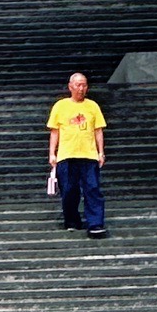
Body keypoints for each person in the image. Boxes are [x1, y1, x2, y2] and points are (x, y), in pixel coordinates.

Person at [45, 72, 106, 239]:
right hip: (67, 155)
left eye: (84, 85)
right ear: (70, 86)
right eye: (78, 85)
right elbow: (55, 132)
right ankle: (72, 220)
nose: (81, 88)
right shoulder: (60, 106)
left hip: (89, 154)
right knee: (69, 190)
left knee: (92, 189)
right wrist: (52, 153)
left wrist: (101, 152)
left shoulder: (92, 106)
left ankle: (95, 224)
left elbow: (98, 130)